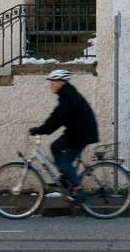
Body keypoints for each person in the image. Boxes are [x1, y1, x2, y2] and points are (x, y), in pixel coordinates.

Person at [29, 69, 99, 206]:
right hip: (77, 132)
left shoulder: (68, 96)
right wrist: (43, 129)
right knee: (55, 146)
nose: (51, 85)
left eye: (53, 82)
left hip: (82, 133)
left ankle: (80, 192)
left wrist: (42, 129)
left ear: (61, 82)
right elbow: (59, 117)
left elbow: (57, 117)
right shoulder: (67, 94)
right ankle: (63, 177)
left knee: (66, 162)